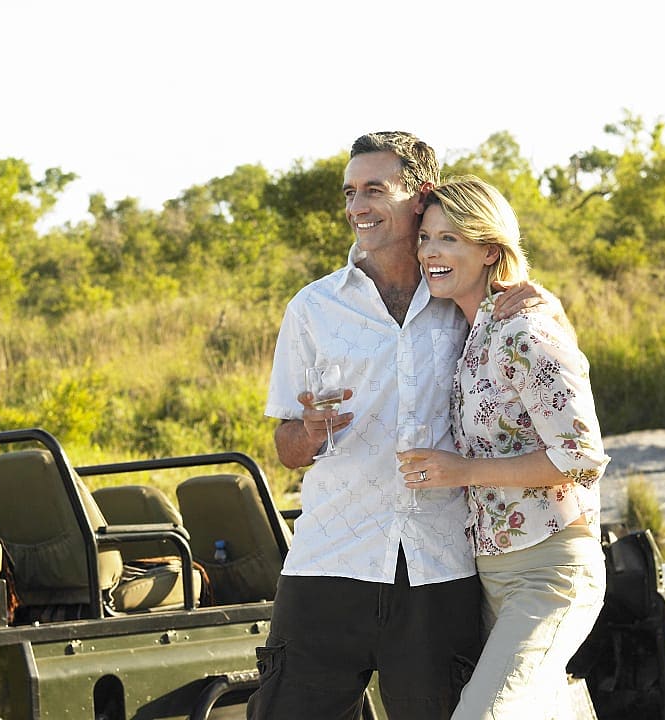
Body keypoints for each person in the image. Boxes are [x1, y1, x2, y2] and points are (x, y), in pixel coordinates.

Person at [248, 132, 571, 720]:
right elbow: (285, 447)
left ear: (419, 196)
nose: (357, 207)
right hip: (329, 559)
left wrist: (542, 301)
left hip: (438, 565)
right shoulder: (312, 309)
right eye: (350, 193)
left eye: (375, 189)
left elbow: (531, 329)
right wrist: (310, 429)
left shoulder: (465, 297)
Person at [399, 175, 608, 720]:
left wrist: (461, 470)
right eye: (425, 238)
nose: (431, 252)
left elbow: (580, 459)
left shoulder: (525, 330)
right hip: (491, 574)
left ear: (490, 249)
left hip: (552, 569)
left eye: (450, 238)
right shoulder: (465, 332)